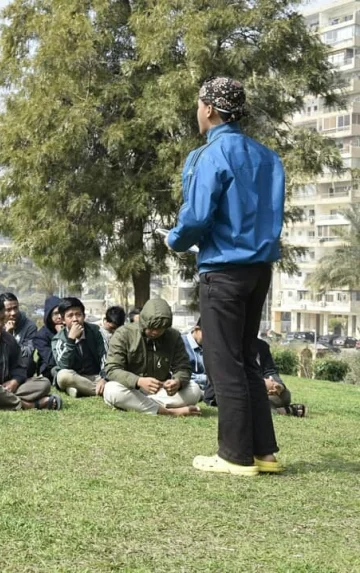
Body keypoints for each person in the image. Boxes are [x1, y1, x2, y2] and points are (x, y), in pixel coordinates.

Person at [167, 77, 285, 476]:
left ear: (211, 109)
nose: (197, 111)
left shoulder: (210, 155)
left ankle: (234, 455)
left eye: (199, 104)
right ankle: (264, 453)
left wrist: (176, 239)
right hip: (260, 271)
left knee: (223, 362)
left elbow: (197, 217)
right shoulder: (269, 157)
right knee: (246, 357)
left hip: (223, 269)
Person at [103, 298, 202, 417]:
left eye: (160, 328)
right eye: (152, 328)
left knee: (194, 390)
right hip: (131, 389)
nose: (156, 332)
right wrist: (138, 381)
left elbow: (183, 367)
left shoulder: (173, 337)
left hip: (160, 392)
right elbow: (112, 369)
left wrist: (177, 382)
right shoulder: (123, 334)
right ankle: (169, 412)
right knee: (111, 390)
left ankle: (142, 405)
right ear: (143, 322)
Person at [201, 337, 307, 418]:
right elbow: (226, 376)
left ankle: (270, 406)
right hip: (228, 392)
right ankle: (285, 411)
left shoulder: (261, 346)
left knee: (285, 395)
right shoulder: (226, 346)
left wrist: (278, 385)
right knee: (251, 403)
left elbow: (270, 371)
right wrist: (260, 384)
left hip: (259, 391)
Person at [52, 297, 106, 398]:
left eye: (78, 314)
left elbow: (105, 356)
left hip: (96, 376)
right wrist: (70, 340)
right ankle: (103, 391)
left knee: (115, 375)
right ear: (63, 320)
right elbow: (63, 365)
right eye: (70, 316)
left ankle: (82, 390)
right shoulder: (58, 339)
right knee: (62, 376)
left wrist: (104, 378)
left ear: (84, 316)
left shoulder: (95, 331)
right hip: (75, 377)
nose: (75, 319)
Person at [0, 293, 39, 376]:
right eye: (8, 310)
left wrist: (10, 338)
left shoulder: (29, 326)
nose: (13, 313)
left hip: (19, 363)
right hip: (0, 362)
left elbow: (29, 352)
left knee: (30, 363)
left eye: (15, 308)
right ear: (2, 310)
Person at [34, 296, 63, 382]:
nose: (60, 317)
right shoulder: (41, 335)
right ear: (49, 316)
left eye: (62, 312)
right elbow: (51, 360)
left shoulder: (71, 330)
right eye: (56, 313)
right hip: (49, 368)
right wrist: (61, 336)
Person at [182, 320, 207, 392]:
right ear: (197, 329)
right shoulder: (181, 344)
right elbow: (181, 375)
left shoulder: (209, 345)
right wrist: (206, 379)